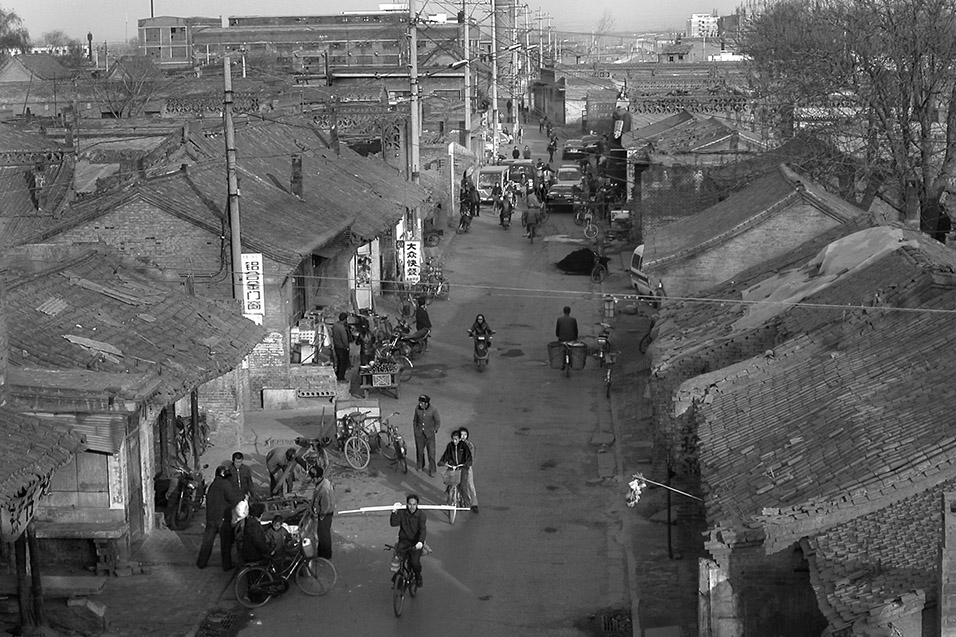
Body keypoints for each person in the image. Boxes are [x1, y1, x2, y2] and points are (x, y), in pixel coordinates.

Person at [197, 466, 242, 570]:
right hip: (222, 518)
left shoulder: (212, 485)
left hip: (210, 517)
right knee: (225, 543)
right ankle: (226, 565)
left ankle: (201, 562)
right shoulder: (225, 485)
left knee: (207, 541)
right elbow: (233, 499)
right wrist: (242, 498)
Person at [389, 494, 427, 587]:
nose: (412, 507)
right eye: (410, 504)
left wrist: (420, 542)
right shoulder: (402, 513)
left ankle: (418, 577)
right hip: (404, 541)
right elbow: (393, 523)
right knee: (397, 560)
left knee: (415, 563)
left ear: (417, 505)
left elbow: (423, 530)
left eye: (414, 504)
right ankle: (398, 579)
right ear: (407, 504)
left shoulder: (421, 515)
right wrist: (394, 512)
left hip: (415, 542)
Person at [309, 465, 335, 560]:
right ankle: (321, 552)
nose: (312, 480)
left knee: (324, 535)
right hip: (325, 513)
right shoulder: (322, 483)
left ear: (319, 477)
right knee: (321, 534)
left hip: (325, 515)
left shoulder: (323, 489)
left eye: (314, 478)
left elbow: (325, 506)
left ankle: (326, 555)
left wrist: (320, 516)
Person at [412, 394, 441, 476]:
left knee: (431, 453)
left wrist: (435, 429)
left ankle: (432, 470)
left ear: (427, 403)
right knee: (420, 451)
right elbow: (415, 421)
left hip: (430, 435)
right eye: (420, 403)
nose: (421, 404)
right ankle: (420, 465)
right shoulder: (417, 409)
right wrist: (415, 430)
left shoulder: (433, 410)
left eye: (423, 403)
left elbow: (437, 422)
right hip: (419, 434)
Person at [458, 427, 478, 512]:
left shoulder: (470, 445)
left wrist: (467, 464)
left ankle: (474, 504)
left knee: (470, 485)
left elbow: (471, 457)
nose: (463, 436)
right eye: (461, 434)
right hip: (457, 467)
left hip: (466, 467)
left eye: (465, 434)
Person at [331, 312, 351, 382]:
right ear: (345, 319)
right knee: (343, 363)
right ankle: (341, 377)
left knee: (339, 362)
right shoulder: (342, 328)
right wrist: (347, 347)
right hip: (342, 348)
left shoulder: (335, 325)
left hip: (336, 346)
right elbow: (344, 339)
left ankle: (338, 375)